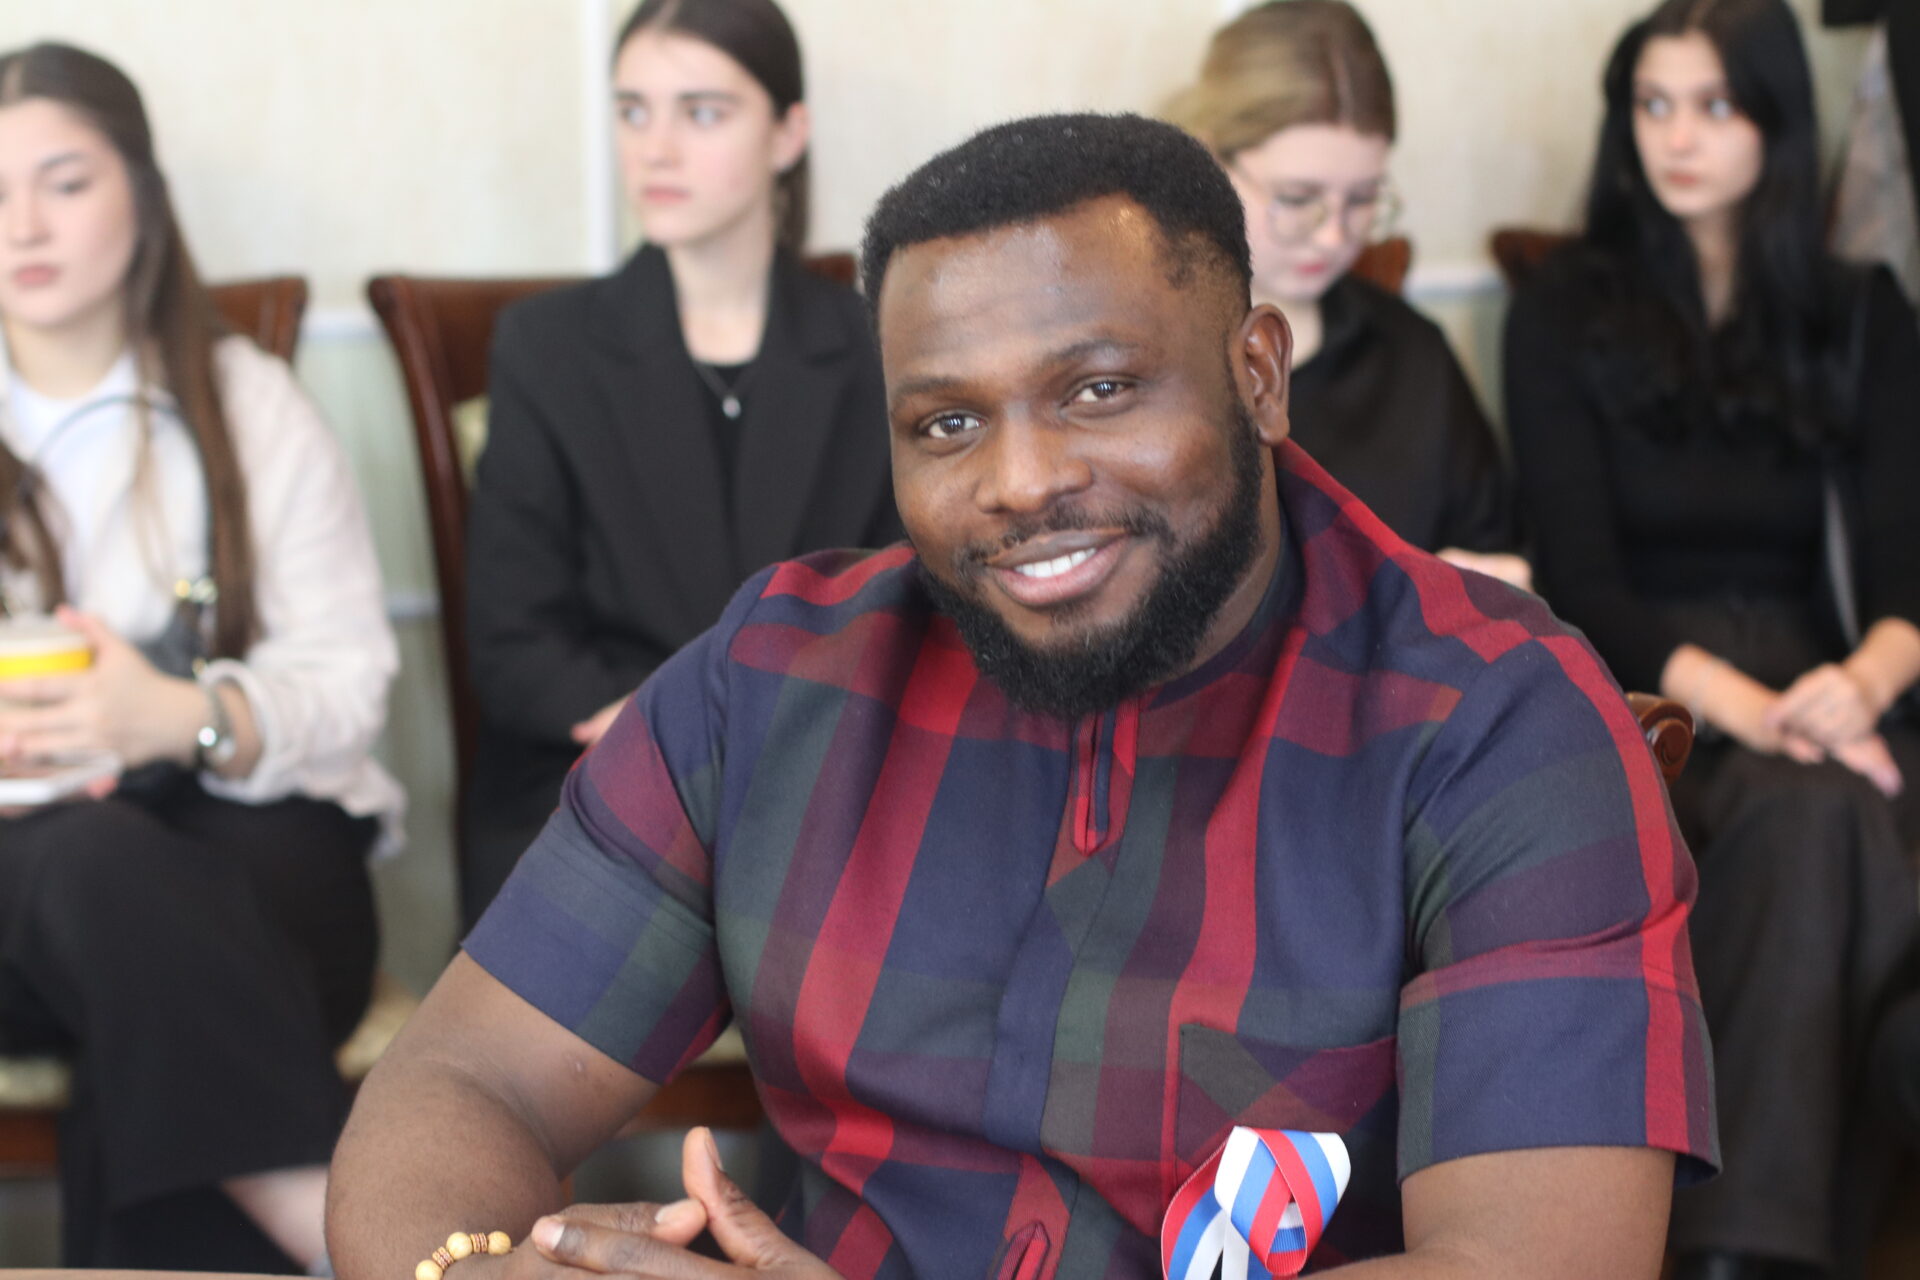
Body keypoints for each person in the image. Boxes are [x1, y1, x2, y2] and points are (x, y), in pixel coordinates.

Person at [328, 113, 1716, 1280]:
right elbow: (459, 1082)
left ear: (1258, 374)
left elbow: (1534, 1268)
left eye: (1097, 389)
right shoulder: (770, 684)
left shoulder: (1496, 723)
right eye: (947, 422)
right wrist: (479, 1273)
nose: (1019, 480)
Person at [1503, 1, 1920, 1275]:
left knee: (1825, 814)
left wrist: (1859, 685)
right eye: (1654, 105)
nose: (1677, 138)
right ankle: (1766, 1248)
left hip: (1836, 681)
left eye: (1716, 106)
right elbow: (1580, 575)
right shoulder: (1562, 307)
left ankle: (1734, 1246)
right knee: (1822, 817)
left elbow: (1907, 566)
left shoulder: (1862, 311)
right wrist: (1759, 712)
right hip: (1649, 689)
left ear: (1777, 122)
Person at [0, 42, 399, 1273]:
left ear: (143, 194)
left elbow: (349, 680)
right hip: (29, 878)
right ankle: (339, 1226)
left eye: (64, 182)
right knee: (104, 870)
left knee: (161, 967)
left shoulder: (248, 404)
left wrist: (180, 716)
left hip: (249, 853)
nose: (22, 224)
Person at [462, 0, 899, 930]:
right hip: (600, 767)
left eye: (701, 112)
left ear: (787, 134)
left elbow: (906, 610)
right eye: (633, 111)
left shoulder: (878, 348)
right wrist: (663, 737)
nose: (654, 149)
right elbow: (513, 642)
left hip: (823, 769)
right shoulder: (545, 348)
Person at [1164, 0, 1525, 587]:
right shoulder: (1143, 353)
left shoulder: (1414, 357)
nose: (1334, 236)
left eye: (1361, 199)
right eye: (1298, 198)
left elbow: (1494, 548)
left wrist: (1495, 587)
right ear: (1208, 159)